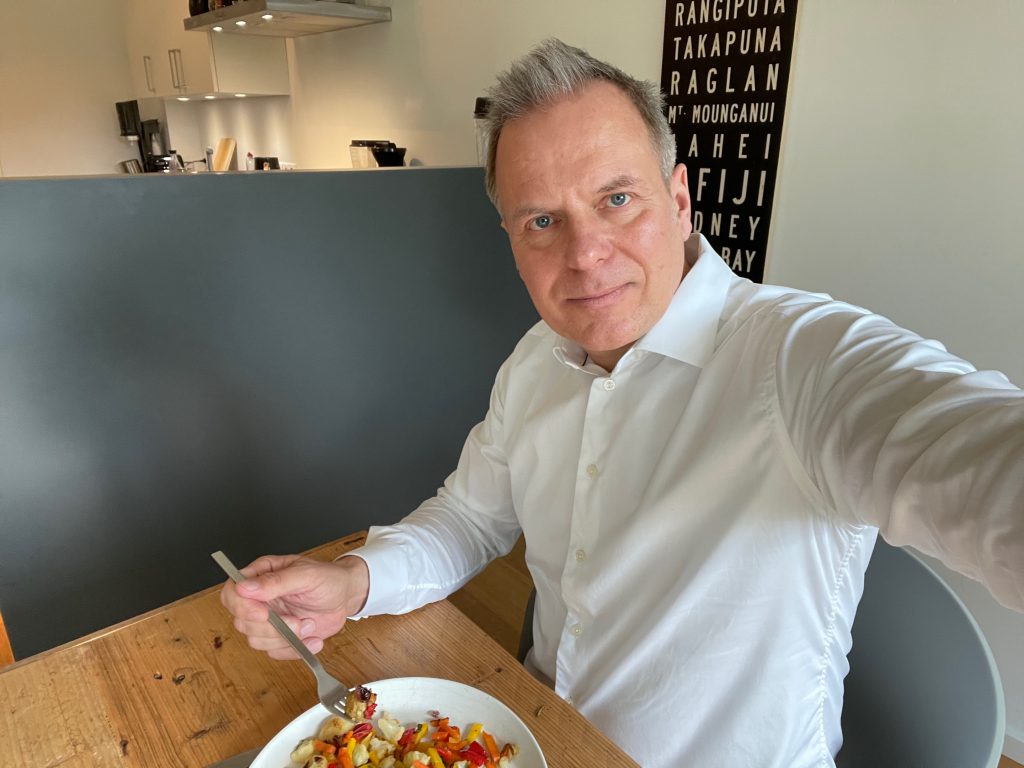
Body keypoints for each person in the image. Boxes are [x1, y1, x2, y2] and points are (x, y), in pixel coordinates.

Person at [221, 39, 1023, 767]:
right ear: (511, 239)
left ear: (679, 200)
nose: (587, 256)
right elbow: (470, 519)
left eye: (617, 199)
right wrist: (355, 581)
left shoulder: (800, 359)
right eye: (543, 221)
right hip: (531, 737)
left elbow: (980, 456)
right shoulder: (536, 362)